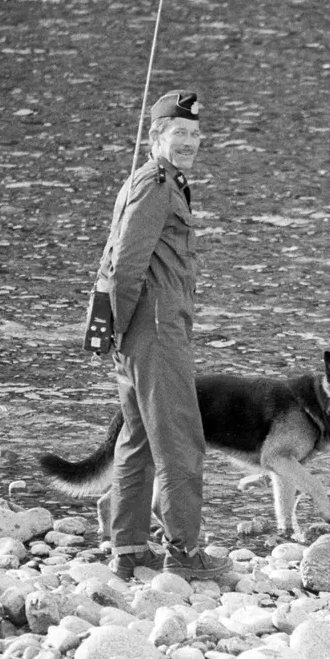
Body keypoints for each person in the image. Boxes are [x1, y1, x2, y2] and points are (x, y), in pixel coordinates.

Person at [94, 90, 230, 581]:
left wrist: (112, 330)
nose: (190, 141)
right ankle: (185, 553)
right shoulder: (156, 185)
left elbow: (116, 259)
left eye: (195, 134)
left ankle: (128, 549)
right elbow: (127, 263)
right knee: (179, 440)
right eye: (180, 132)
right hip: (154, 330)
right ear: (156, 136)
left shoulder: (152, 180)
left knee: (136, 439)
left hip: (138, 330)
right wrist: (122, 327)